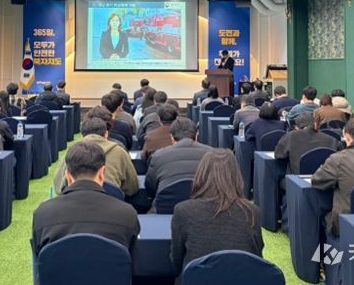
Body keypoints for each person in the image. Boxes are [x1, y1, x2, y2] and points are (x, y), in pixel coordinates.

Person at [33, 142, 140, 256]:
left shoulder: (42, 213)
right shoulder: (127, 214)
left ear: (68, 176)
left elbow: (39, 260)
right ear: (102, 173)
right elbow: (133, 258)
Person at [170, 149, 263, 279]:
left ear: (202, 174)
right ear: (236, 176)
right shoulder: (252, 212)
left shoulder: (183, 211)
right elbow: (256, 259)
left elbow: (176, 263)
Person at [53, 117, 139, 197]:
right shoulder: (119, 151)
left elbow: (58, 186)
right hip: (111, 201)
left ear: (82, 135)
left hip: (74, 201)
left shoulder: (71, 152)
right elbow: (132, 187)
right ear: (106, 134)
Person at [145, 118, 210, 199]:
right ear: (196, 136)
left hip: (166, 204)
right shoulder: (211, 154)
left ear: (172, 138)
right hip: (202, 203)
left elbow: (150, 187)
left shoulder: (157, 156)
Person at [275, 112, 341, 175]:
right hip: (325, 180)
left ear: (296, 127)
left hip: (296, 180)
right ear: (315, 125)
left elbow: (278, 155)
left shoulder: (290, 136)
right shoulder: (332, 140)